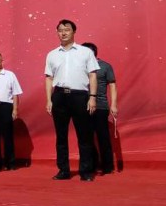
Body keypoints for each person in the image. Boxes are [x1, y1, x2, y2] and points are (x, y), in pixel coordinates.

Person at [45, 20, 99, 181]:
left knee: (84, 135)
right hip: (59, 96)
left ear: (74, 32)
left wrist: (92, 97)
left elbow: (92, 75)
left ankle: (86, 171)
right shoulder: (52, 54)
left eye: (67, 30)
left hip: (80, 96)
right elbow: (49, 78)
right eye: (60, 30)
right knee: (61, 136)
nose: (63, 33)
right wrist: (48, 100)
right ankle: (63, 170)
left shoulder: (85, 52)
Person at [82, 42, 117, 175]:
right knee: (86, 137)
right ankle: (92, 164)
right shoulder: (79, 67)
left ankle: (107, 166)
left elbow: (112, 85)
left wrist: (113, 105)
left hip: (101, 106)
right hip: (82, 106)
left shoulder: (105, 66)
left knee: (103, 137)